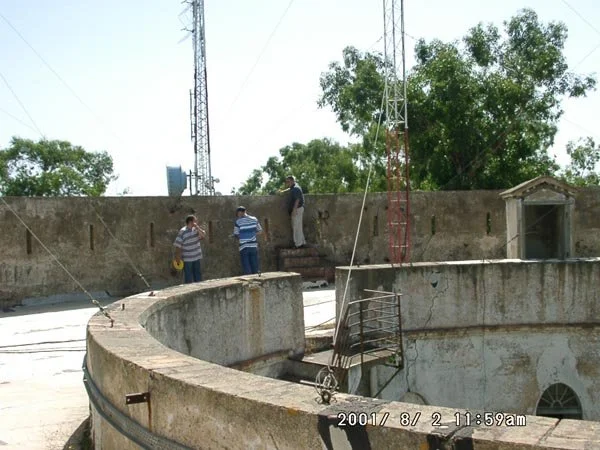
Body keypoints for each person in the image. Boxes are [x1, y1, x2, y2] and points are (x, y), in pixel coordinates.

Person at [173, 215, 205, 283]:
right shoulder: (182, 231)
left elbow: (203, 236)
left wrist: (197, 228)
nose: (196, 222)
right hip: (188, 259)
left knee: (198, 276)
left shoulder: (196, 230)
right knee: (188, 277)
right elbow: (178, 246)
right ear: (191, 222)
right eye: (195, 221)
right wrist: (177, 258)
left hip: (196, 257)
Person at [233, 206, 263, 274]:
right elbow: (260, 231)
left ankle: (249, 279)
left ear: (240, 213)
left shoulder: (238, 222)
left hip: (244, 246)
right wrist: (252, 234)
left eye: (238, 214)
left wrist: (242, 236)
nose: (238, 216)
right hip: (253, 245)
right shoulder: (254, 219)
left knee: (246, 266)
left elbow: (236, 234)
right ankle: (257, 278)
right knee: (255, 265)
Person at [285, 175, 306, 248]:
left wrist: (294, 210)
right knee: (298, 226)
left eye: (288, 182)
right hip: (298, 209)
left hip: (297, 209)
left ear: (292, 181)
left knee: (296, 227)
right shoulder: (294, 187)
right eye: (286, 182)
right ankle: (301, 242)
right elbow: (290, 189)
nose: (287, 183)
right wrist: (283, 191)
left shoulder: (296, 188)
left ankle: (298, 244)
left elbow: (297, 200)